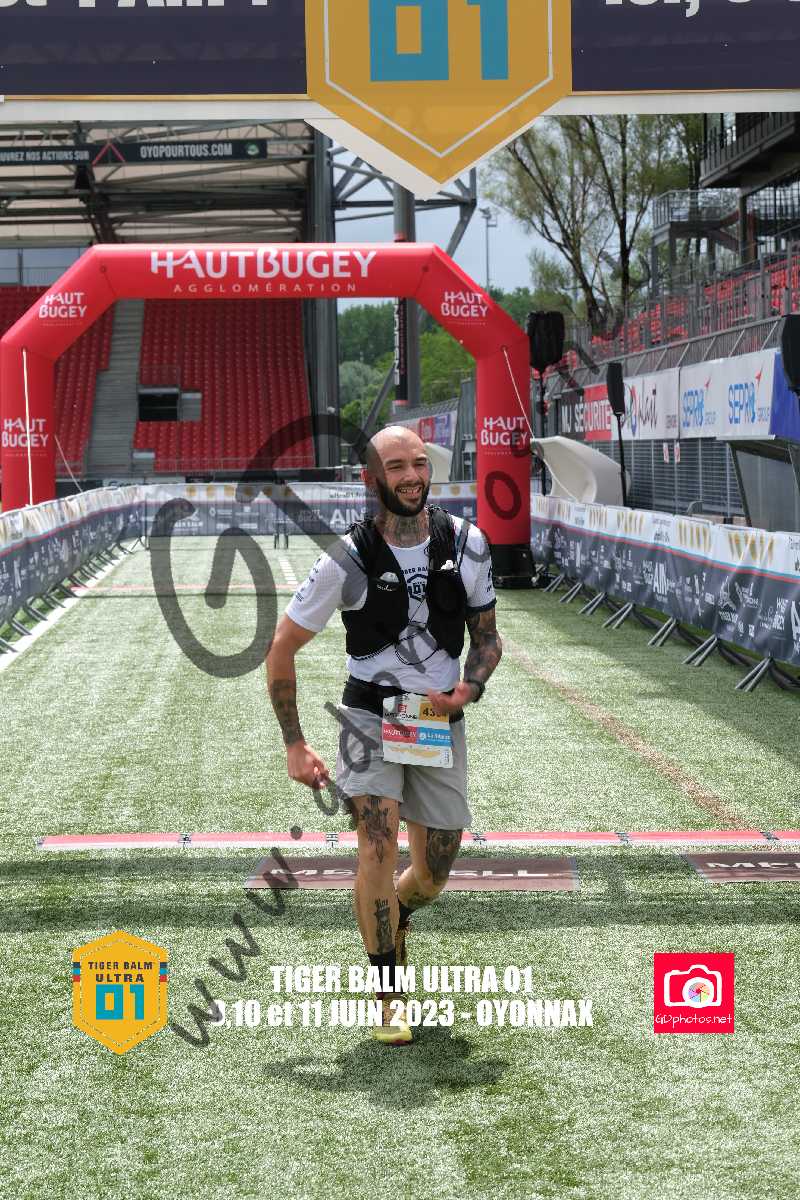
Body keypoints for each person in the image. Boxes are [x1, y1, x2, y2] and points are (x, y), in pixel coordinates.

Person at [266, 426, 502, 1044]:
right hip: (370, 715)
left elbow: (487, 639)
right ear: (372, 477)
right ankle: (387, 993)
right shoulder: (346, 558)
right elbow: (282, 647)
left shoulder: (468, 543)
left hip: (435, 720)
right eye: (396, 466)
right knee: (376, 845)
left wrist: (469, 688)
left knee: (435, 870)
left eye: (419, 463)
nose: (411, 475)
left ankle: (395, 912)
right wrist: (294, 742)